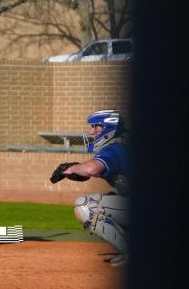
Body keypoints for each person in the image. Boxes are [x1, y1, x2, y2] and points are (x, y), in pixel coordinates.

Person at [49, 109, 130, 266]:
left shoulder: (114, 148)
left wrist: (72, 168)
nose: (91, 132)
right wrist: (75, 170)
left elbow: (92, 169)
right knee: (110, 198)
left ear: (109, 129)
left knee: (86, 206)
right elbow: (92, 172)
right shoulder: (121, 147)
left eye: (96, 127)